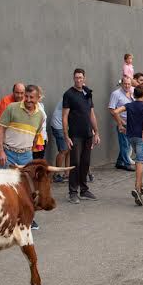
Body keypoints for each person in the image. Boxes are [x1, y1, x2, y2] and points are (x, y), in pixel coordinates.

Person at [62, 68, 100, 203]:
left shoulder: (87, 93)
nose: (78, 80)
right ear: (73, 78)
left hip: (88, 135)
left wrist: (96, 132)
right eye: (76, 77)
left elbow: (91, 114)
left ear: (84, 78)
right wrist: (66, 136)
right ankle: (73, 192)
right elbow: (65, 116)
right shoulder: (68, 94)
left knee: (85, 163)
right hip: (75, 135)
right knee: (75, 163)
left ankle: (84, 190)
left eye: (80, 77)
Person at [117, 85, 143, 206]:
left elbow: (115, 111)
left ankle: (140, 185)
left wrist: (121, 124)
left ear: (134, 95)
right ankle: (137, 188)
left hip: (130, 136)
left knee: (138, 159)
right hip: (140, 137)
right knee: (139, 162)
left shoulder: (129, 105)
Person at [0, 84, 46, 167]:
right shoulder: (11, 108)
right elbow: (0, 128)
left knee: (24, 180)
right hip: (8, 155)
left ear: (38, 98)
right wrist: (0, 151)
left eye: (31, 97)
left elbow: (36, 137)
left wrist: (29, 152)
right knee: (6, 180)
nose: (28, 99)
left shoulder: (41, 116)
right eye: (26, 96)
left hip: (26, 157)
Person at [109, 74, 135, 172]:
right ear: (121, 84)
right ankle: (126, 163)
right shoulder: (116, 94)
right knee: (125, 144)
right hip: (122, 122)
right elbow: (111, 109)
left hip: (131, 122)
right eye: (125, 84)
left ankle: (120, 162)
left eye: (129, 84)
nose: (127, 86)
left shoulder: (132, 92)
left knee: (127, 143)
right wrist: (120, 121)